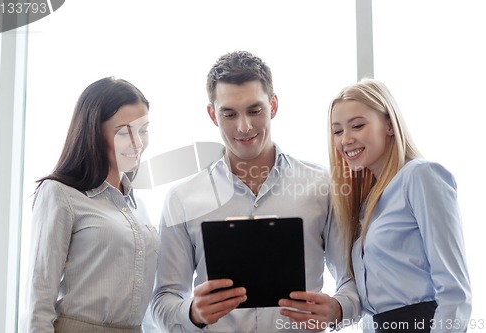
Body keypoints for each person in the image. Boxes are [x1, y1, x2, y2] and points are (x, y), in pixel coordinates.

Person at [151, 51, 360, 333]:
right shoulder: (182, 198)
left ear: (273, 106)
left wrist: (337, 309)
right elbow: (163, 301)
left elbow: (352, 283)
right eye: (229, 114)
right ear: (213, 114)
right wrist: (192, 312)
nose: (244, 127)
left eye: (254, 110)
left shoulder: (323, 185)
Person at [327, 78, 472, 332]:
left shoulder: (420, 176)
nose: (345, 139)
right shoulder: (366, 202)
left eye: (357, 126)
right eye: (337, 131)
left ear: (389, 125)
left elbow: (454, 292)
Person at [20, 77, 160, 333]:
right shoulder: (60, 194)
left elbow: (146, 302)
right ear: (94, 133)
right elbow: (39, 300)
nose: (138, 143)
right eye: (124, 131)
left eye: (143, 130)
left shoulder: (138, 206)